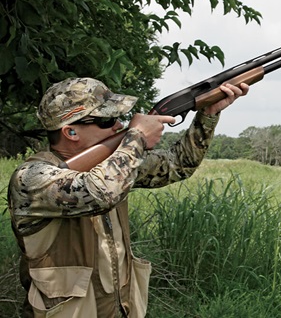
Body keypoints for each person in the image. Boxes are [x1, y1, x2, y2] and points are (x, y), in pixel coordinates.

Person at [8, 77, 249, 317]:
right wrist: (137, 138)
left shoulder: (113, 166)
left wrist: (207, 115)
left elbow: (179, 164)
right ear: (70, 131)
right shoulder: (31, 179)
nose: (119, 125)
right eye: (108, 120)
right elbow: (100, 192)